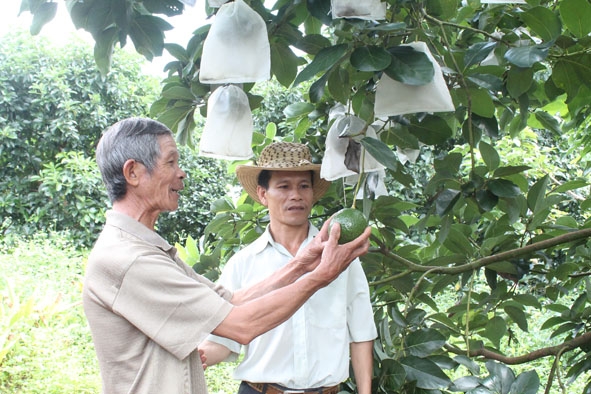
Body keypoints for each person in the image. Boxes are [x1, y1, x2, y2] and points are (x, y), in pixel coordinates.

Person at [82, 118, 372, 394]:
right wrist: (321, 275)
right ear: (133, 172)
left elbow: (229, 301)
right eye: (171, 162)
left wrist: (303, 263)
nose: (181, 172)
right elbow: (240, 325)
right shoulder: (130, 259)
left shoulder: (150, 249)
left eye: (303, 186)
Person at [199, 142, 377, 394]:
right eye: (283, 186)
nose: (296, 195)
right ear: (263, 195)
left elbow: (361, 332)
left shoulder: (342, 257)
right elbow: (224, 340)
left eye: (304, 186)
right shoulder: (243, 263)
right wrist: (193, 355)